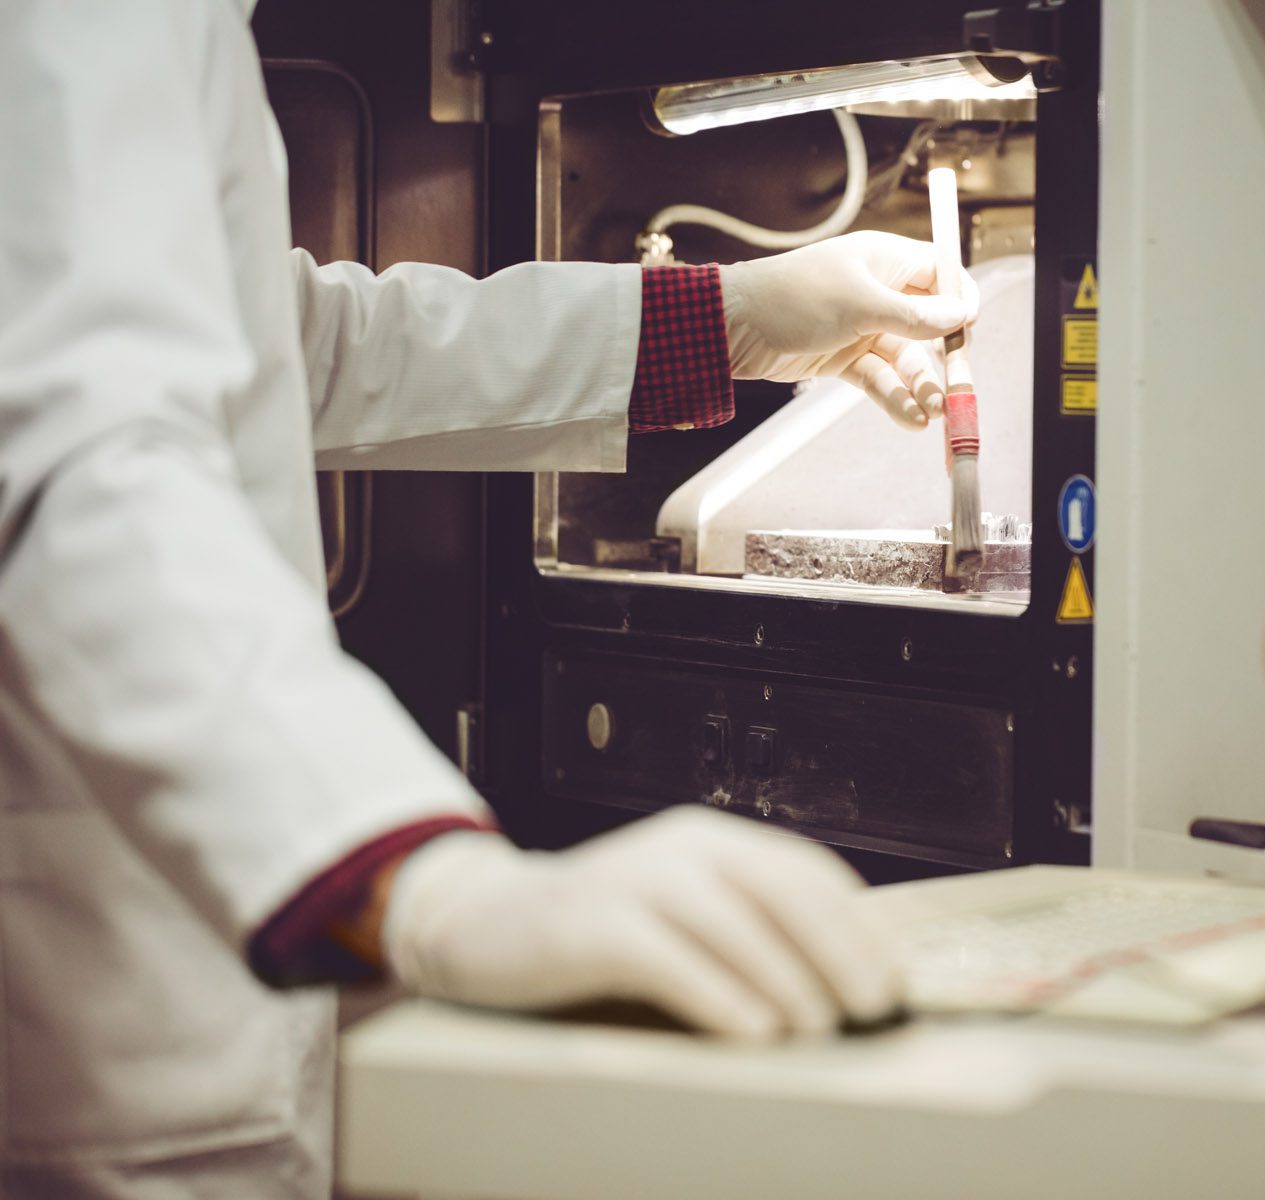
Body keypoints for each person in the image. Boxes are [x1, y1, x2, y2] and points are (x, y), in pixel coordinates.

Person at [0, 2, 978, 1196]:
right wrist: (428, 881)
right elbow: (73, 464)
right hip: (103, 1016)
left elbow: (284, 343)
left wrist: (739, 320)